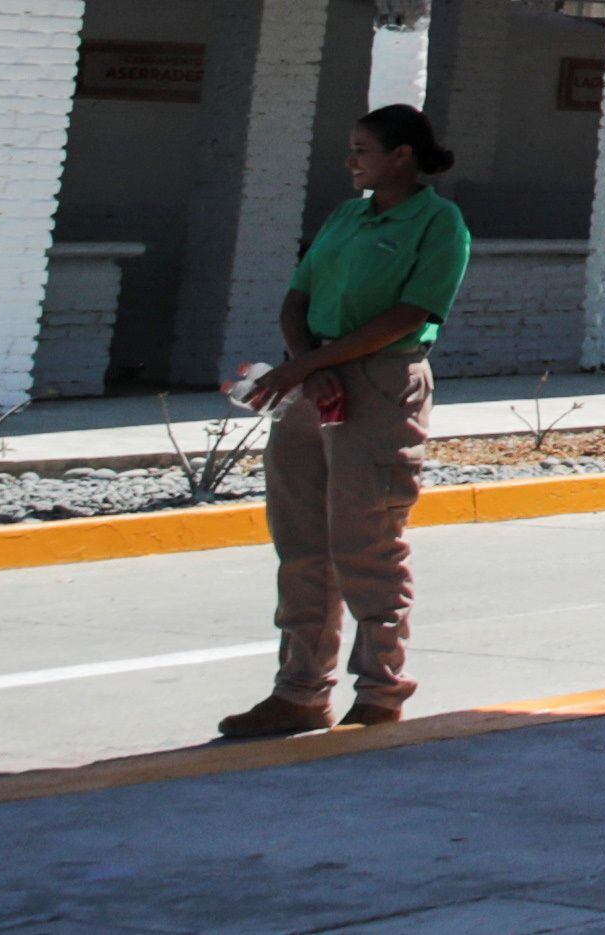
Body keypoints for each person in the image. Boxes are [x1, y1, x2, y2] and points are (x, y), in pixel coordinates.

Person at [217, 104, 471, 738]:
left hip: (382, 386)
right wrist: (308, 366)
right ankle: (300, 691)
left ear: (402, 156)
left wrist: (317, 365)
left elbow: (410, 314)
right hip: (311, 384)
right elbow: (296, 298)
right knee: (301, 545)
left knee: (367, 543)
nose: (351, 160)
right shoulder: (346, 215)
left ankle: (381, 690)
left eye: (362, 149)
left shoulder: (439, 223)